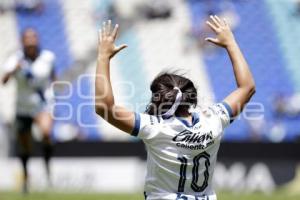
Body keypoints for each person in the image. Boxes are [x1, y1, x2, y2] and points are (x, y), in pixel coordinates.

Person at [95, 16, 255, 200]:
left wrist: (103, 57)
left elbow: (103, 107)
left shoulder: (154, 127)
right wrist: (231, 43)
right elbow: (247, 87)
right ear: (191, 97)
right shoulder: (214, 119)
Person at [1, 28, 55, 193]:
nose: (31, 40)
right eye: (28, 37)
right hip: (22, 107)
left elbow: (53, 76)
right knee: (25, 146)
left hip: (42, 105)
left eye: (33, 37)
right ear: (22, 40)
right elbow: (4, 81)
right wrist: (13, 70)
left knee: (46, 132)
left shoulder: (48, 57)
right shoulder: (14, 59)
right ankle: (25, 178)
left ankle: (48, 172)